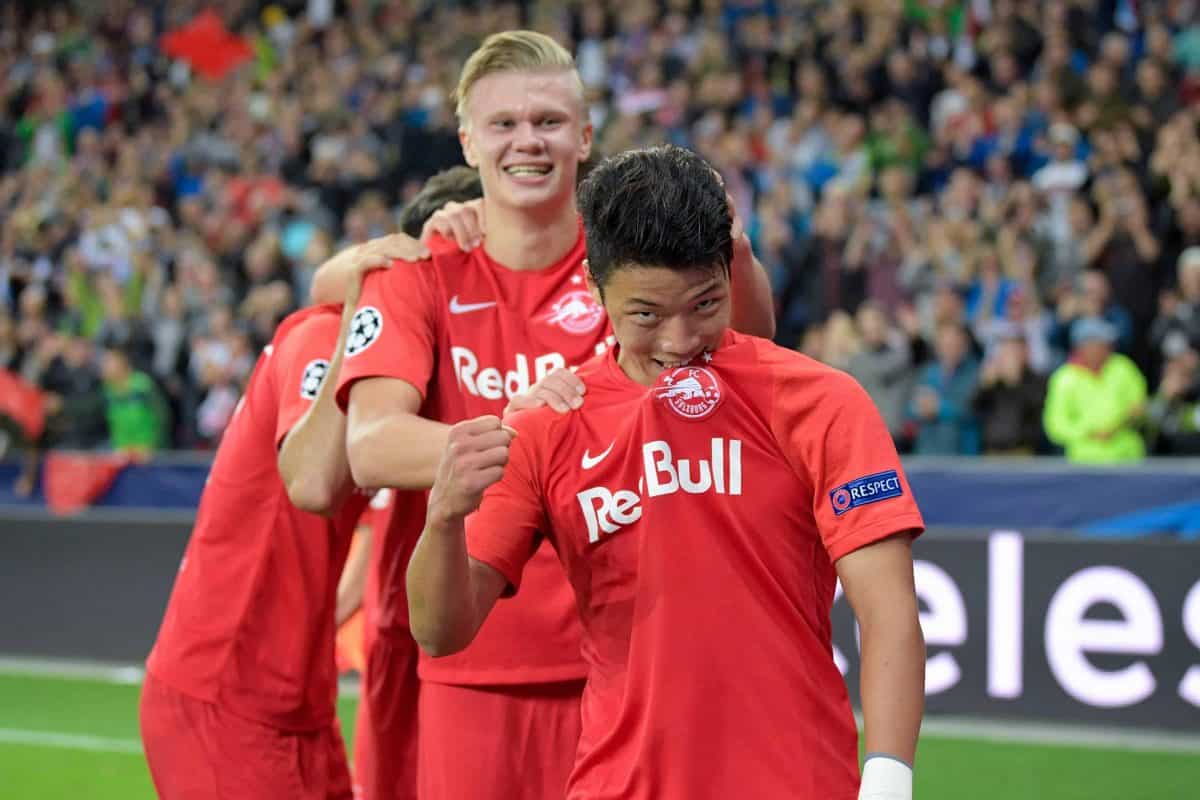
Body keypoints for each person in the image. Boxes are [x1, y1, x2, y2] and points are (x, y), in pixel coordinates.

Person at [407, 145, 924, 800]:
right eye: (646, 314)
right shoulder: (551, 423)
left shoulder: (820, 403)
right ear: (596, 288)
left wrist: (887, 783)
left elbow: (888, 613)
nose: (679, 342)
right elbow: (441, 629)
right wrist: (444, 518)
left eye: (705, 305)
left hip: (798, 780)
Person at [335, 30, 774, 800]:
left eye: (547, 121)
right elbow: (371, 445)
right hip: (475, 661)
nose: (526, 141)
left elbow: (746, 353)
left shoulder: (632, 261)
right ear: (468, 142)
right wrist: (526, 430)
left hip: (632, 658)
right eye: (503, 124)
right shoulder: (419, 269)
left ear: (585, 134)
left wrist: (732, 246)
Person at [139, 233, 424, 800]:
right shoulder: (322, 335)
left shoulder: (401, 378)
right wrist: (356, 321)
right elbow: (314, 482)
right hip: (226, 689)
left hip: (300, 695)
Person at [1044, 316, 1148, 463]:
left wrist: (1130, 418)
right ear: (1084, 347)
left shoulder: (1123, 367)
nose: (1109, 347)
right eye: (1102, 343)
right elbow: (1055, 426)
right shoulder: (1064, 378)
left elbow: (1139, 407)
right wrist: (1090, 433)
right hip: (1084, 462)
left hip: (1128, 457)